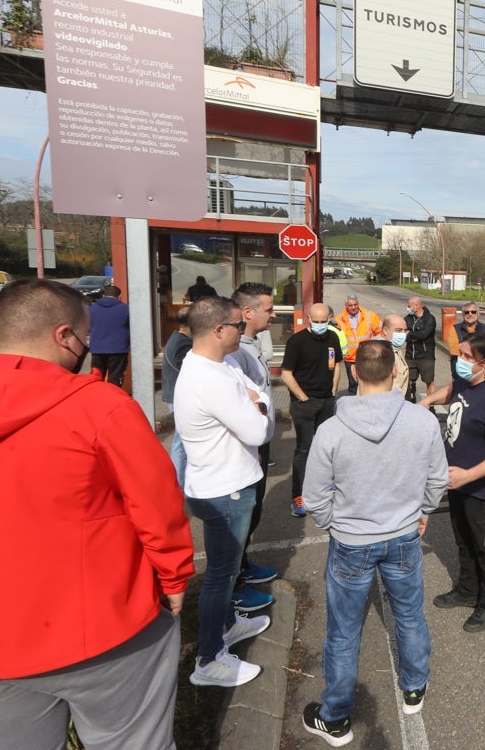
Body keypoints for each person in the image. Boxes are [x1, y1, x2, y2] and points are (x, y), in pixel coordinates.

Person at [0, 279, 194, 749]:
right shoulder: (99, 406)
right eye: (85, 338)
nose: (86, 349)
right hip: (103, 628)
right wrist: (173, 579)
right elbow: (157, 504)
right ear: (63, 335)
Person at [301, 341, 449, 746]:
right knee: (409, 615)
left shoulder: (331, 429)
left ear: (353, 373)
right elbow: (438, 479)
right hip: (403, 536)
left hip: (351, 540)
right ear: (396, 372)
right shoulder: (422, 422)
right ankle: (414, 687)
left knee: (344, 631)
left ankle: (335, 717)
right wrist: (422, 512)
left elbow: (313, 498)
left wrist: (336, 524)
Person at [175, 296, 273, 688]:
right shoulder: (208, 378)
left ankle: (228, 625)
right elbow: (257, 430)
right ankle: (209, 659)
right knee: (221, 575)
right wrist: (259, 410)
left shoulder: (222, 363)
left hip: (228, 482)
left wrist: (257, 404)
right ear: (218, 330)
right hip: (225, 489)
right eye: (236, 324)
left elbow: (260, 392)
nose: (243, 328)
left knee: (225, 571)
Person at [422, 334, 485, 633]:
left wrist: (469, 475)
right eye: (460, 354)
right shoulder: (468, 381)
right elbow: (452, 389)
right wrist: (427, 400)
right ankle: (467, 590)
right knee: (464, 540)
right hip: (458, 482)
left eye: (467, 357)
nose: (460, 361)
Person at [228, 282, 281, 610]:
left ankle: (243, 565)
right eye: (269, 309)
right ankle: (235, 586)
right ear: (248, 312)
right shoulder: (238, 353)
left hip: (260, 443)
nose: (274, 314)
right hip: (250, 446)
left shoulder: (252, 343)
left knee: (254, 510)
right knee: (243, 514)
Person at [282, 303, 343, 518]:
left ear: (329, 318)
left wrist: (333, 391)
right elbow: (286, 373)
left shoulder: (333, 337)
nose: (319, 325)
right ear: (308, 318)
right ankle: (298, 496)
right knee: (304, 449)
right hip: (304, 404)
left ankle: (326, 483)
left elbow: (336, 365)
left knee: (327, 447)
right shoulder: (297, 341)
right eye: (315, 321)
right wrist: (303, 398)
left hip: (327, 400)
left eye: (323, 321)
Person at [162, 305, 193, 484]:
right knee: (181, 442)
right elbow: (189, 372)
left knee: (182, 440)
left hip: (174, 395)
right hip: (178, 396)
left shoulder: (177, 338)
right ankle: (178, 484)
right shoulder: (183, 344)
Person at [337, 294, 383, 395]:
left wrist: (373, 346)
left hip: (367, 356)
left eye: (355, 304)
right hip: (350, 358)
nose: (353, 307)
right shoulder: (339, 319)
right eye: (350, 305)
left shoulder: (370, 316)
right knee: (353, 384)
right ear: (346, 306)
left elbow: (380, 332)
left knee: (369, 382)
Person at [88, 284, 129, 386]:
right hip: (118, 349)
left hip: (97, 349)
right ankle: (113, 399)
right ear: (119, 297)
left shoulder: (91, 309)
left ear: (103, 295)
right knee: (115, 377)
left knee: (96, 377)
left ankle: (97, 399)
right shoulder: (126, 309)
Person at [405, 296, 437, 401]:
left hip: (425, 356)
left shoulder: (429, 319)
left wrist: (410, 334)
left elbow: (424, 334)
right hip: (410, 356)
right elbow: (402, 332)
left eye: (409, 306)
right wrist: (410, 334)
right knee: (408, 380)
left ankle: (431, 406)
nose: (408, 308)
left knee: (429, 382)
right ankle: (411, 400)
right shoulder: (407, 318)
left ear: (417, 305)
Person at [446, 300, 485, 375]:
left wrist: (463, 347)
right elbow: (454, 350)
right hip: (461, 372)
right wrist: (479, 348)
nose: (470, 314)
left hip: (481, 372)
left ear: (478, 314)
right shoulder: (455, 328)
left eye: (473, 312)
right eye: (467, 312)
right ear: (462, 314)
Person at [380, 313, 411, 398]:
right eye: (398, 330)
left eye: (405, 330)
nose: (403, 334)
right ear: (385, 330)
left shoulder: (394, 347)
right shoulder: (379, 353)